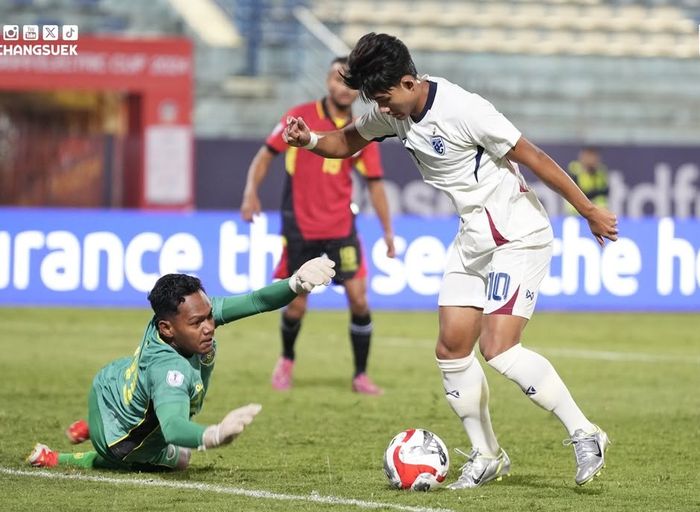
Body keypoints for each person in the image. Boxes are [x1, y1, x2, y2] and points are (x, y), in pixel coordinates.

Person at [282, 33, 619, 489]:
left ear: (408, 81)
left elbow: (533, 156)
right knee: (452, 349)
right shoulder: (392, 110)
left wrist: (589, 211)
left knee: (498, 348)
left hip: (517, 235)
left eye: (386, 98)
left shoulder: (464, 110)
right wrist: (310, 140)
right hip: (474, 239)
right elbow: (346, 142)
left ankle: (586, 432)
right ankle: (487, 455)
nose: (383, 109)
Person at [26, 257, 336, 471]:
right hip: (120, 441)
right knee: (181, 459)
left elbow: (256, 301)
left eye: (209, 316)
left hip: (110, 383)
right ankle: (58, 455)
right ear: (167, 328)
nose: (209, 326)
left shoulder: (183, 316)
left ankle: (94, 424)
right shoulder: (169, 371)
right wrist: (213, 434)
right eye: (198, 322)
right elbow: (173, 427)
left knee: (148, 402)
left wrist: (296, 282)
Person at [240, 56, 395, 395]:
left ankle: (360, 375)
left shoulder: (363, 129)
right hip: (301, 228)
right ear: (327, 82)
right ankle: (286, 361)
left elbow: (376, 182)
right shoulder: (300, 117)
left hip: (341, 228)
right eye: (338, 79)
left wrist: (387, 230)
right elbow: (266, 154)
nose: (343, 87)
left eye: (350, 83)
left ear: (358, 91)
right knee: (296, 302)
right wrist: (251, 192)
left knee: (359, 299)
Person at [565, 146, 609, 214]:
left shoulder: (600, 171)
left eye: (594, 156)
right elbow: (575, 191)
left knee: (601, 202)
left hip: (593, 205)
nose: (592, 159)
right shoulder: (574, 168)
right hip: (577, 208)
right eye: (590, 155)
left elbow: (604, 191)